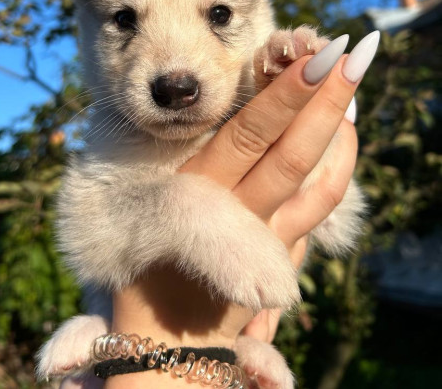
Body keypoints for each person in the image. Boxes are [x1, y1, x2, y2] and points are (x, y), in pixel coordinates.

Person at [62, 32, 379, 388]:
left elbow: (336, 225)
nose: (174, 73)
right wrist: (189, 210)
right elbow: (84, 234)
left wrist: (314, 134)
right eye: (125, 19)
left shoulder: (261, 68)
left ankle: (241, 344)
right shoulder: (113, 131)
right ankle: (108, 326)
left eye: (219, 15)